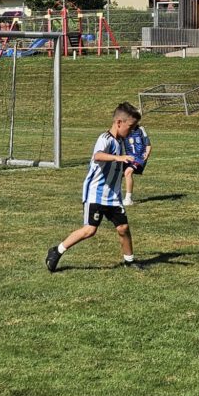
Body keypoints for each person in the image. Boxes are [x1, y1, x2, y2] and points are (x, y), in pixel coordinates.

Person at [46, 102, 143, 272]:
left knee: (123, 228)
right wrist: (117, 158)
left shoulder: (121, 142)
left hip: (113, 196)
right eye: (131, 126)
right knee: (90, 230)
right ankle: (57, 250)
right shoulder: (104, 139)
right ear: (119, 122)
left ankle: (129, 260)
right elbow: (97, 155)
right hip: (96, 194)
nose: (133, 130)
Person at [123, 113, 152, 207]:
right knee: (116, 173)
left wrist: (147, 153)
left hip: (139, 158)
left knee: (128, 172)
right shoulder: (124, 130)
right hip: (128, 158)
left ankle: (128, 199)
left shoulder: (141, 130)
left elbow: (148, 144)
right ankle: (113, 196)